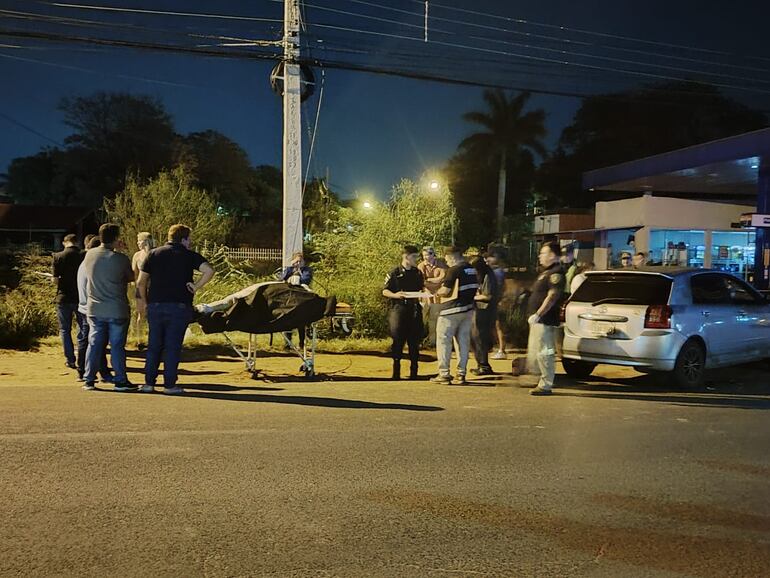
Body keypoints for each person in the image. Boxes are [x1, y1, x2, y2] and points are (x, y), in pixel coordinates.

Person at [136, 224, 214, 395]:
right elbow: (209, 270)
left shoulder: (153, 254)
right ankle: (170, 385)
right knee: (172, 346)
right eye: (189, 239)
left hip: (156, 304)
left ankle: (149, 383)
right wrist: (196, 286)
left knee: (154, 345)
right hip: (179, 306)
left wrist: (145, 301)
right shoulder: (188, 255)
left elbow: (141, 281)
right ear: (184, 239)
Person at [81, 224, 134, 391]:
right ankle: (120, 379)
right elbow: (131, 277)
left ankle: (89, 378)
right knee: (117, 346)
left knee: (94, 343)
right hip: (116, 308)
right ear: (117, 238)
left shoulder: (89, 255)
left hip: (94, 308)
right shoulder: (120, 259)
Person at [431, 246, 478, 385]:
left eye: (446, 259)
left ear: (451, 257)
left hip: (450, 311)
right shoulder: (471, 269)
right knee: (463, 342)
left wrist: (437, 293)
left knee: (444, 340)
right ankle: (461, 374)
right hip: (468, 310)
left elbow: (445, 290)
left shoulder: (454, 270)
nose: (446, 262)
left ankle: (444, 374)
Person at [526, 241, 566, 396]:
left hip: (545, 319)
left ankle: (546, 384)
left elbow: (552, 296)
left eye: (543, 253)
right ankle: (539, 378)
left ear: (552, 255)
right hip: (539, 321)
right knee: (538, 351)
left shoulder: (556, 273)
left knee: (545, 352)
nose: (540, 256)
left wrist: (538, 314)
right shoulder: (546, 272)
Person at [382, 245, 425, 380]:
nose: (416, 259)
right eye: (414, 257)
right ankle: (396, 372)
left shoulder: (417, 272)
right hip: (399, 308)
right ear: (406, 257)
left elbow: (421, 288)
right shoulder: (394, 272)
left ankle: (414, 371)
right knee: (398, 339)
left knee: (414, 340)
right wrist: (396, 295)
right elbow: (385, 291)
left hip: (414, 308)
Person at [76, 236, 112, 384]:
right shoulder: (92, 265)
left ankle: (90, 370)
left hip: (84, 306)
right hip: (91, 308)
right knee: (94, 341)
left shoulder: (84, 264)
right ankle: (90, 371)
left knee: (90, 340)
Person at [52, 233, 84, 371]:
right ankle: (83, 357)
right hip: (80, 297)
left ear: (65, 242)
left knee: (65, 329)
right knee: (82, 328)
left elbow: (55, 280)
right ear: (76, 242)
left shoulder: (57, 257)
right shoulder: (84, 255)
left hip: (63, 296)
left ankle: (70, 359)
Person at [470, 254, 498, 376]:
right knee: (476, 338)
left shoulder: (488, 275)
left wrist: (473, 297)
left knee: (480, 338)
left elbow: (488, 296)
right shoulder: (483, 274)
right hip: (480, 309)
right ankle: (481, 364)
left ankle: (484, 365)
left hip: (485, 310)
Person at [417, 246, 447, 347]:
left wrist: (429, 280)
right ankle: (419, 341)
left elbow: (443, 278)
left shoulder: (441, 264)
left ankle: (432, 342)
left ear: (433, 254)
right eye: (424, 255)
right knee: (422, 319)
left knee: (434, 320)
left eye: (429, 254)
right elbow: (422, 281)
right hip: (424, 296)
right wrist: (435, 281)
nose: (427, 257)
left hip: (437, 296)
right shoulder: (420, 266)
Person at [131, 232, 156, 343]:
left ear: (146, 241)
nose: (137, 243)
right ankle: (139, 338)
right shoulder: (137, 255)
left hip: (154, 287)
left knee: (153, 314)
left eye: (139, 240)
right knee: (141, 313)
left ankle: (153, 339)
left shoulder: (155, 252)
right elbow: (134, 274)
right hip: (140, 287)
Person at [486, 251, 508, 360]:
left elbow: (499, 288)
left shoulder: (498, 272)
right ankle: (499, 347)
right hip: (494, 302)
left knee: (499, 326)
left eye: (490, 257)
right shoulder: (493, 271)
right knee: (495, 326)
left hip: (497, 302)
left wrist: (499, 300)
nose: (488, 260)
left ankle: (501, 350)